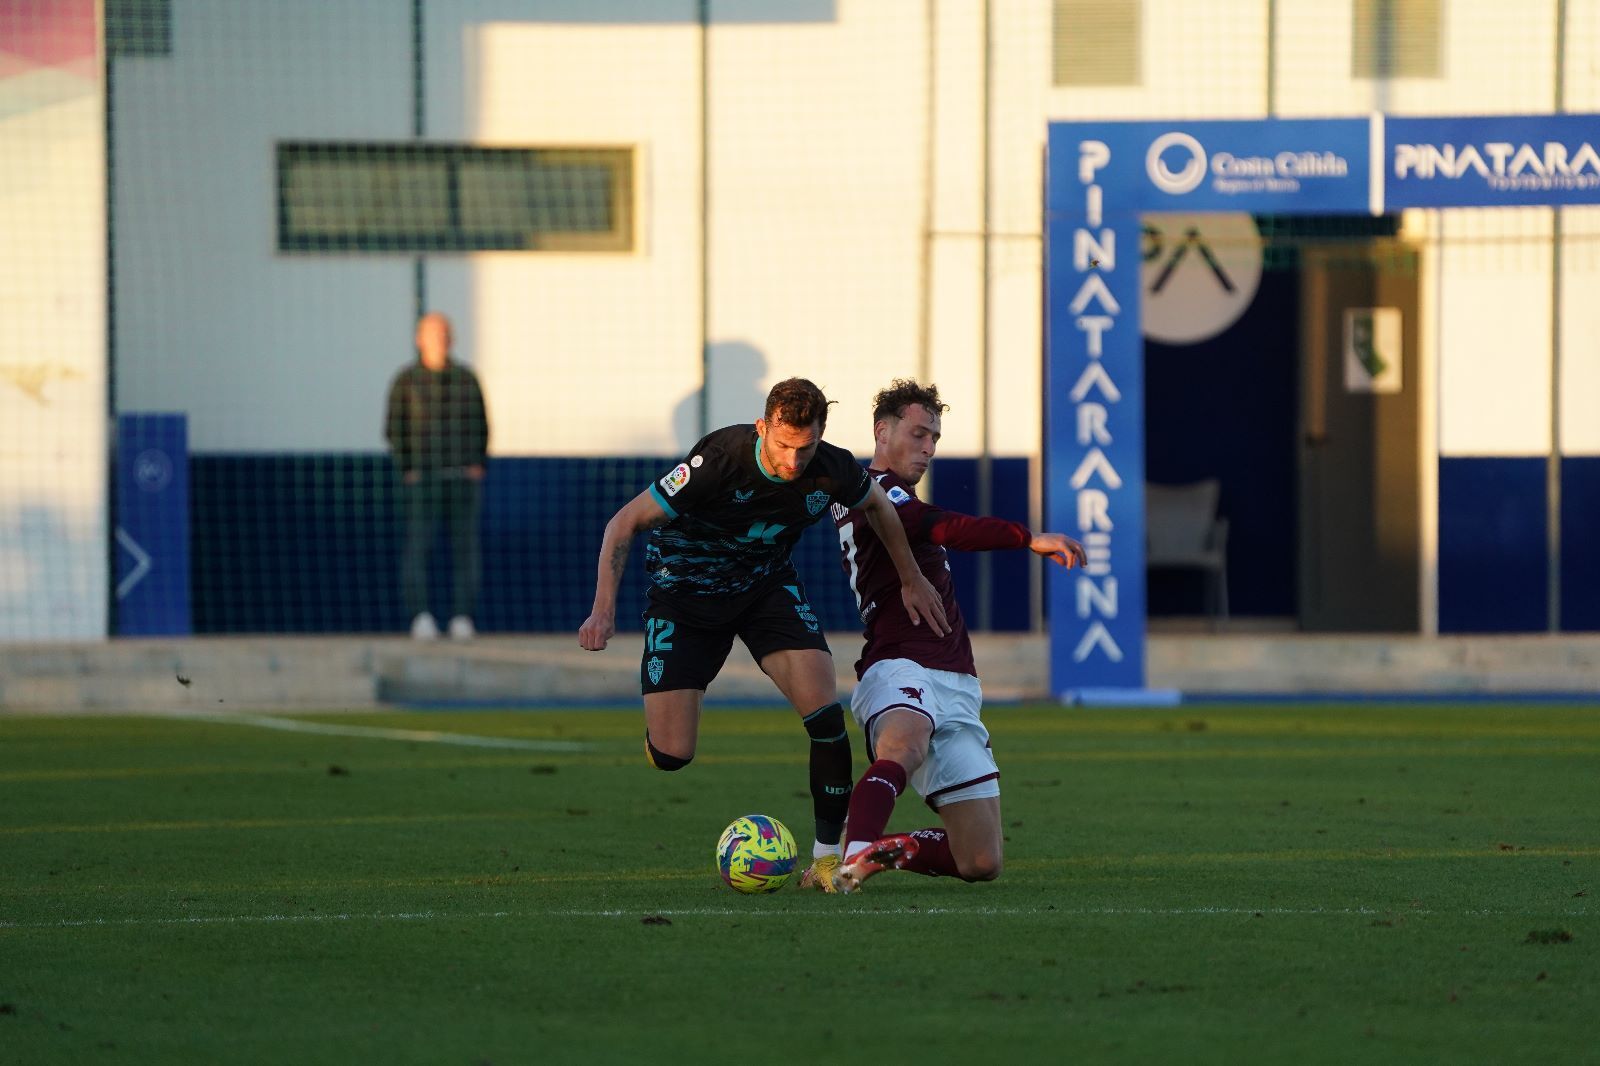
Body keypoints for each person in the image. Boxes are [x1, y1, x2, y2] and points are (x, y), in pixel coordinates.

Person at [577, 378, 950, 889]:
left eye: (806, 447)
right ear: (762, 428)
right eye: (783, 446)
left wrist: (911, 577)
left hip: (765, 592)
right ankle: (660, 736)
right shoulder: (719, 460)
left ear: (821, 434)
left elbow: (880, 507)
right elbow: (622, 524)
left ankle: (824, 858)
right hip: (686, 599)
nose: (794, 462)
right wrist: (602, 611)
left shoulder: (831, 467)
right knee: (672, 755)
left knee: (826, 718)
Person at [825, 379, 1085, 893]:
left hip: (958, 680)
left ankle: (877, 848)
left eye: (935, 439)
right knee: (905, 743)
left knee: (981, 860)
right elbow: (945, 527)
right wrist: (1027, 537)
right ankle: (848, 859)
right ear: (882, 430)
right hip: (898, 664)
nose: (928, 448)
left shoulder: (896, 496)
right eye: (919, 434)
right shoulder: (869, 490)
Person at [385, 312, 489, 641]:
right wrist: (408, 469)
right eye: (432, 334)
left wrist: (476, 464)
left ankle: (462, 617)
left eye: (444, 333)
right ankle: (420, 617)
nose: (439, 340)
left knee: (465, 549)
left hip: (461, 479)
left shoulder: (466, 378)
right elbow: (394, 427)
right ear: (420, 339)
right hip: (422, 480)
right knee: (418, 547)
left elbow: (481, 424)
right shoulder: (406, 381)